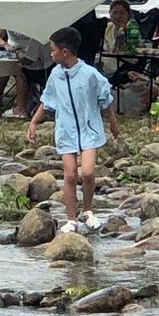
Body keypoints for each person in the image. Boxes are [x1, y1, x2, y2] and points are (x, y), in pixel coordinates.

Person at [27, 26, 119, 234]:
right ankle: (71, 219)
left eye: (53, 50)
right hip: (66, 131)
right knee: (69, 176)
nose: (51, 54)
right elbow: (47, 101)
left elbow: (105, 100)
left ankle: (87, 210)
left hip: (89, 130)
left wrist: (113, 123)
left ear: (65, 52)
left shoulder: (90, 75)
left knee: (87, 172)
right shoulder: (55, 75)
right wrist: (33, 122)